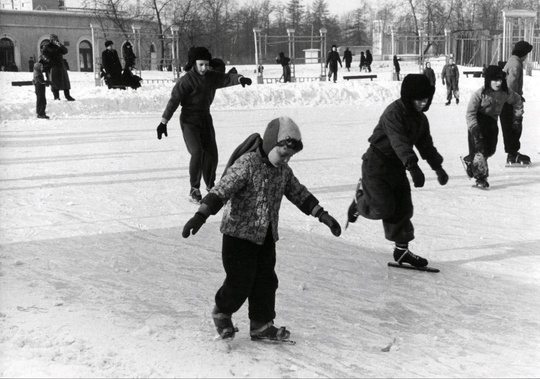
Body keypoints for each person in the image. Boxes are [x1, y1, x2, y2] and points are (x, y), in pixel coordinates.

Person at [181, 116, 342, 342]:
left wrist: (322, 214)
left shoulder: (283, 171)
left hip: (265, 237)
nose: (285, 160)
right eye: (283, 154)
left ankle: (261, 324)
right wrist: (200, 216)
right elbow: (221, 191)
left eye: (289, 157)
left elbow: (299, 193)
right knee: (240, 282)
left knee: (266, 282)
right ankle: (222, 312)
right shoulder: (247, 164)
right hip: (238, 237)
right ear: (270, 144)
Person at [347, 74, 448, 268]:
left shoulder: (420, 119)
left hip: (397, 167)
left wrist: (438, 167)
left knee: (403, 208)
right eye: (418, 100)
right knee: (382, 209)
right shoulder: (393, 113)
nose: (422, 104)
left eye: (426, 100)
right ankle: (360, 201)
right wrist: (413, 167)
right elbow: (398, 141)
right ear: (409, 97)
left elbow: (426, 145)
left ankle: (402, 251)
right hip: (376, 164)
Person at [156, 46, 252, 204]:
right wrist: (163, 122)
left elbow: (227, 78)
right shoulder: (186, 80)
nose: (204, 68)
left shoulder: (211, 76)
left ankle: (210, 186)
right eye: (201, 65)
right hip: (189, 120)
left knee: (211, 153)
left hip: (205, 118)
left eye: (206, 65)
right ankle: (194, 189)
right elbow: (174, 101)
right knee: (197, 152)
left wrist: (240, 78)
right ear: (194, 63)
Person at [462, 66, 523, 188]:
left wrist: (517, 118)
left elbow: (517, 101)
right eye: (495, 80)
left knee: (490, 150)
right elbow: (470, 113)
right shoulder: (480, 94)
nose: (498, 83)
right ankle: (481, 178)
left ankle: (470, 160)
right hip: (478, 124)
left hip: (492, 123)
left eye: (500, 80)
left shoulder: (505, 93)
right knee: (480, 151)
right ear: (488, 80)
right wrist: (474, 127)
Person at [500, 40, 533, 165]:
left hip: (507, 100)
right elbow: (512, 83)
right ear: (523, 53)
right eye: (527, 53)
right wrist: (515, 98)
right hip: (509, 102)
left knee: (512, 126)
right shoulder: (515, 64)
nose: (527, 56)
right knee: (513, 126)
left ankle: (512, 153)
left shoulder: (514, 61)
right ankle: (512, 154)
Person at [41, 34, 75, 101]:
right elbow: (43, 56)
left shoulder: (59, 46)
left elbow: (65, 51)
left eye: (56, 39)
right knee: (54, 81)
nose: (55, 40)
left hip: (61, 65)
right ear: (50, 39)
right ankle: (56, 96)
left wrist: (60, 45)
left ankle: (67, 95)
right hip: (53, 65)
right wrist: (49, 61)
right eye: (53, 39)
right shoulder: (47, 47)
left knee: (65, 81)